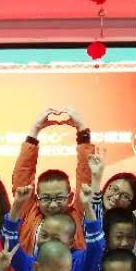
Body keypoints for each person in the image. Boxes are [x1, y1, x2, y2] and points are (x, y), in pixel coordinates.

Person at [2, 184, 105, 271]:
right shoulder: (32, 264)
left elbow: (96, 248)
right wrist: (17, 205)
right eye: (44, 235)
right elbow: (9, 245)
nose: (46, 241)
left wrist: (88, 207)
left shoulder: (79, 263)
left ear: (71, 243)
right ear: (37, 269)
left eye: (55, 238)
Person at [10, 106, 95, 251]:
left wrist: (82, 130)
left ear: (70, 197)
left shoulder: (77, 215)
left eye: (59, 198)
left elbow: (85, 175)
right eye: (46, 198)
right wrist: (34, 131)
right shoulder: (31, 213)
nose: (53, 205)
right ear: (37, 199)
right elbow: (22, 177)